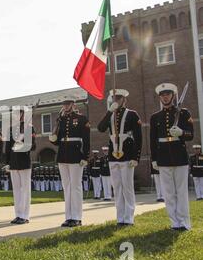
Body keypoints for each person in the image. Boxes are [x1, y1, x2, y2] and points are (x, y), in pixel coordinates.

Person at [151, 83, 193, 231]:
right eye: (162, 95)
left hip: (179, 155)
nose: (165, 97)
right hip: (163, 157)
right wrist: (154, 159)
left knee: (181, 191)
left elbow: (191, 134)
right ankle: (174, 222)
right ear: (160, 98)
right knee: (168, 193)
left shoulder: (183, 113)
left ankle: (184, 222)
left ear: (173, 96)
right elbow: (153, 139)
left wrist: (181, 132)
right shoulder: (155, 117)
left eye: (168, 94)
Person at [98, 89, 142, 227]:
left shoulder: (132, 114)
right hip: (113, 153)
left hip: (127, 153)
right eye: (114, 98)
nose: (116, 100)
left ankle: (129, 217)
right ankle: (120, 217)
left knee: (127, 186)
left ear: (124, 99)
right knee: (116, 187)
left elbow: (138, 137)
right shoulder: (111, 113)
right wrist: (109, 111)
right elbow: (100, 128)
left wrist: (136, 157)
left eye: (118, 98)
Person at [49, 97, 90, 227]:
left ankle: (77, 217)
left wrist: (85, 156)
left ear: (73, 104)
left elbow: (87, 139)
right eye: (64, 104)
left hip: (76, 154)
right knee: (67, 187)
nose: (65, 106)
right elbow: (57, 140)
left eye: (68, 104)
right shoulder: (60, 119)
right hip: (63, 154)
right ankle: (68, 216)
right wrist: (53, 138)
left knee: (76, 186)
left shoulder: (82, 119)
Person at [3, 108, 36, 225]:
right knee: (16, 190)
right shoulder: (10, 129)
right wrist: (7, 162)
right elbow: (7, 148)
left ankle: (25, 216)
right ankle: (18, 214)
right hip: (13, 162)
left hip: (24, 161)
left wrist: (23, 142)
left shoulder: (29, 127)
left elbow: (33, 146)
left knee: (25, 190)